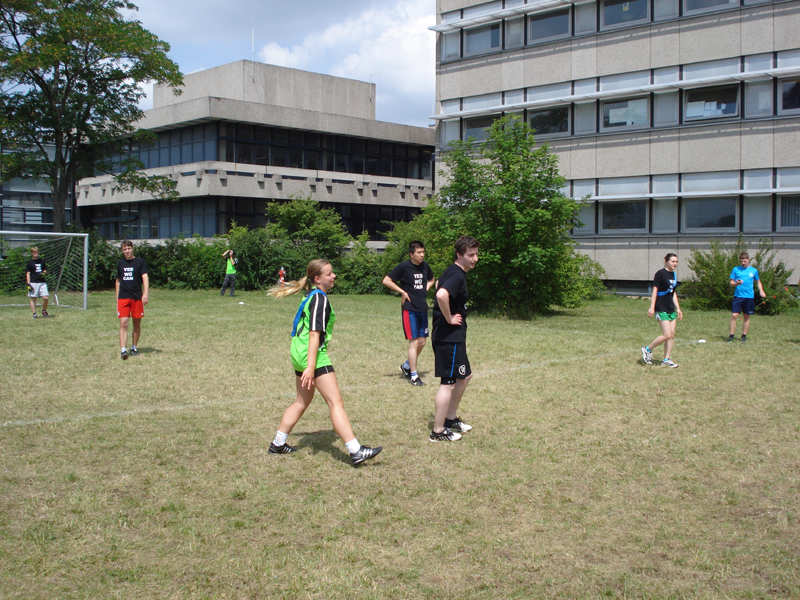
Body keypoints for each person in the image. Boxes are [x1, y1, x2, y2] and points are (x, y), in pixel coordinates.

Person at [267, 259, 383, 467]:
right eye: (329, 274)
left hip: (299, 353)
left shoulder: (311, 295)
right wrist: (311, 367)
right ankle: (355, 451)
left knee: (301, 401)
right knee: (335, 403)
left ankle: (278, 443)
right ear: (317, 279)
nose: (334, 276)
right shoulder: (320, 299)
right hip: (312, 356)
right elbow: (314, 334)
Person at [430, 236, 479, 442]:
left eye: (476, 254)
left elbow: (438, 284)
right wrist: (449, 317)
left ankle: (450, 418)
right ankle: (437, 431)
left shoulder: (453, 271)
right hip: (447, 337)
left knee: (464, 376)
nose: (475, 259)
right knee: (448, 383)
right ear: (459, 255)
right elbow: (441, 294)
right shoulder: (457, 274)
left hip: (454, 336)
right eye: (470, 255)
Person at [382, 241, 436, 386]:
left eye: (423, 252)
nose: (422, 255)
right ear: (411, 254)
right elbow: (386, 280)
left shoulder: (425, 266)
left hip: (422, 308)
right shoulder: (404, 267)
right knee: (414, 342)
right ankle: (414, 376)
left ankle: (406, 365)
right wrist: (403, 292)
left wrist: (425, 288)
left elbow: (432, 279)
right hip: (410, 309)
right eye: (419, 252)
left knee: (422, 342)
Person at [641, 253, 683, 368]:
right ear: (666, 262)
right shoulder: (660, 273)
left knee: (672, 335)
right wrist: (652, 307)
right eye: (673, 261)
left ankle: (666, 359)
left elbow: (673, 292)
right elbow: (655, 291)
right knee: (667, 334)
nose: (675, 264)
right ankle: (647, 349)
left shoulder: (673, 275)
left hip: (670, 308)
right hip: (661, 307)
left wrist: (678, 308)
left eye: (676, 261)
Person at [116, 240, 149, 360]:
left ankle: (134, 347)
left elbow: (145, 277)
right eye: (125, 249)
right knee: (123, 323)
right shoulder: (120, 263)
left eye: (129, 248)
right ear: (122, 250)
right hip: (123, 297)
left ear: (132, 248)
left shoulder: (140, 262)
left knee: (136, 323)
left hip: (136, 297)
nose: (127, 251)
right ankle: (123, 350)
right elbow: (118, 280)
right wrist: (117, 297)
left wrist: (145, 293)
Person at [728, 251, 766, 343]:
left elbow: (758, 282)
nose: (743, 263)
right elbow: (731, 283)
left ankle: (744, 336)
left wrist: (761, 291)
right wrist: (737, 283)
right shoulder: (736, 269)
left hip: (749, 297)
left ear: (748, 260)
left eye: (744, 261)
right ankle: (731, 336)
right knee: (734, 315)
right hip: (738, 296)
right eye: (741, 261)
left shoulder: (754, 270)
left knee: (746, 315)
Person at [26, 246, 49, 318]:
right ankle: (34, 314)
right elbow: (28, 273)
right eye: (34, 253)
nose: (36, 255)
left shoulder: (42, 261)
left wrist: (43, 273)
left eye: (37, 253)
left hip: (42, 282)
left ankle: (44, 311)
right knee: (33, 298)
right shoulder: (30, 262)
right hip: (33, 282)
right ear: (32, 253)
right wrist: (28, 284)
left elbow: (44, 269)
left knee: (45, 297)